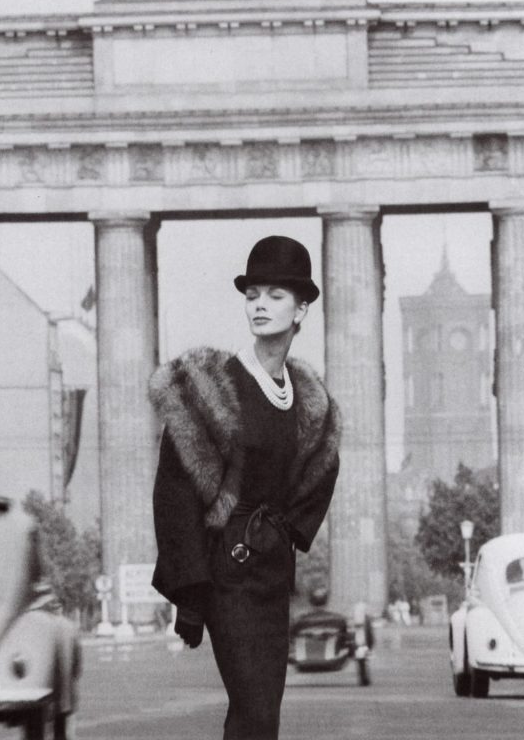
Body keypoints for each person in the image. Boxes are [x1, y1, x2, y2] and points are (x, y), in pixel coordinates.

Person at [149, 235, 340, 740]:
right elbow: (174, 490)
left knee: (263, 715)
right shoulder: (211, 388)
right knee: (253, 707)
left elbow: (323, 465)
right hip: (224, 573)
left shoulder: (307, 398)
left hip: (273, 574)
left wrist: (292, 531)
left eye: (275, 295)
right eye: (253, 293)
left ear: (301, 309)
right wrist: (190, 590)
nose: (259, 304)